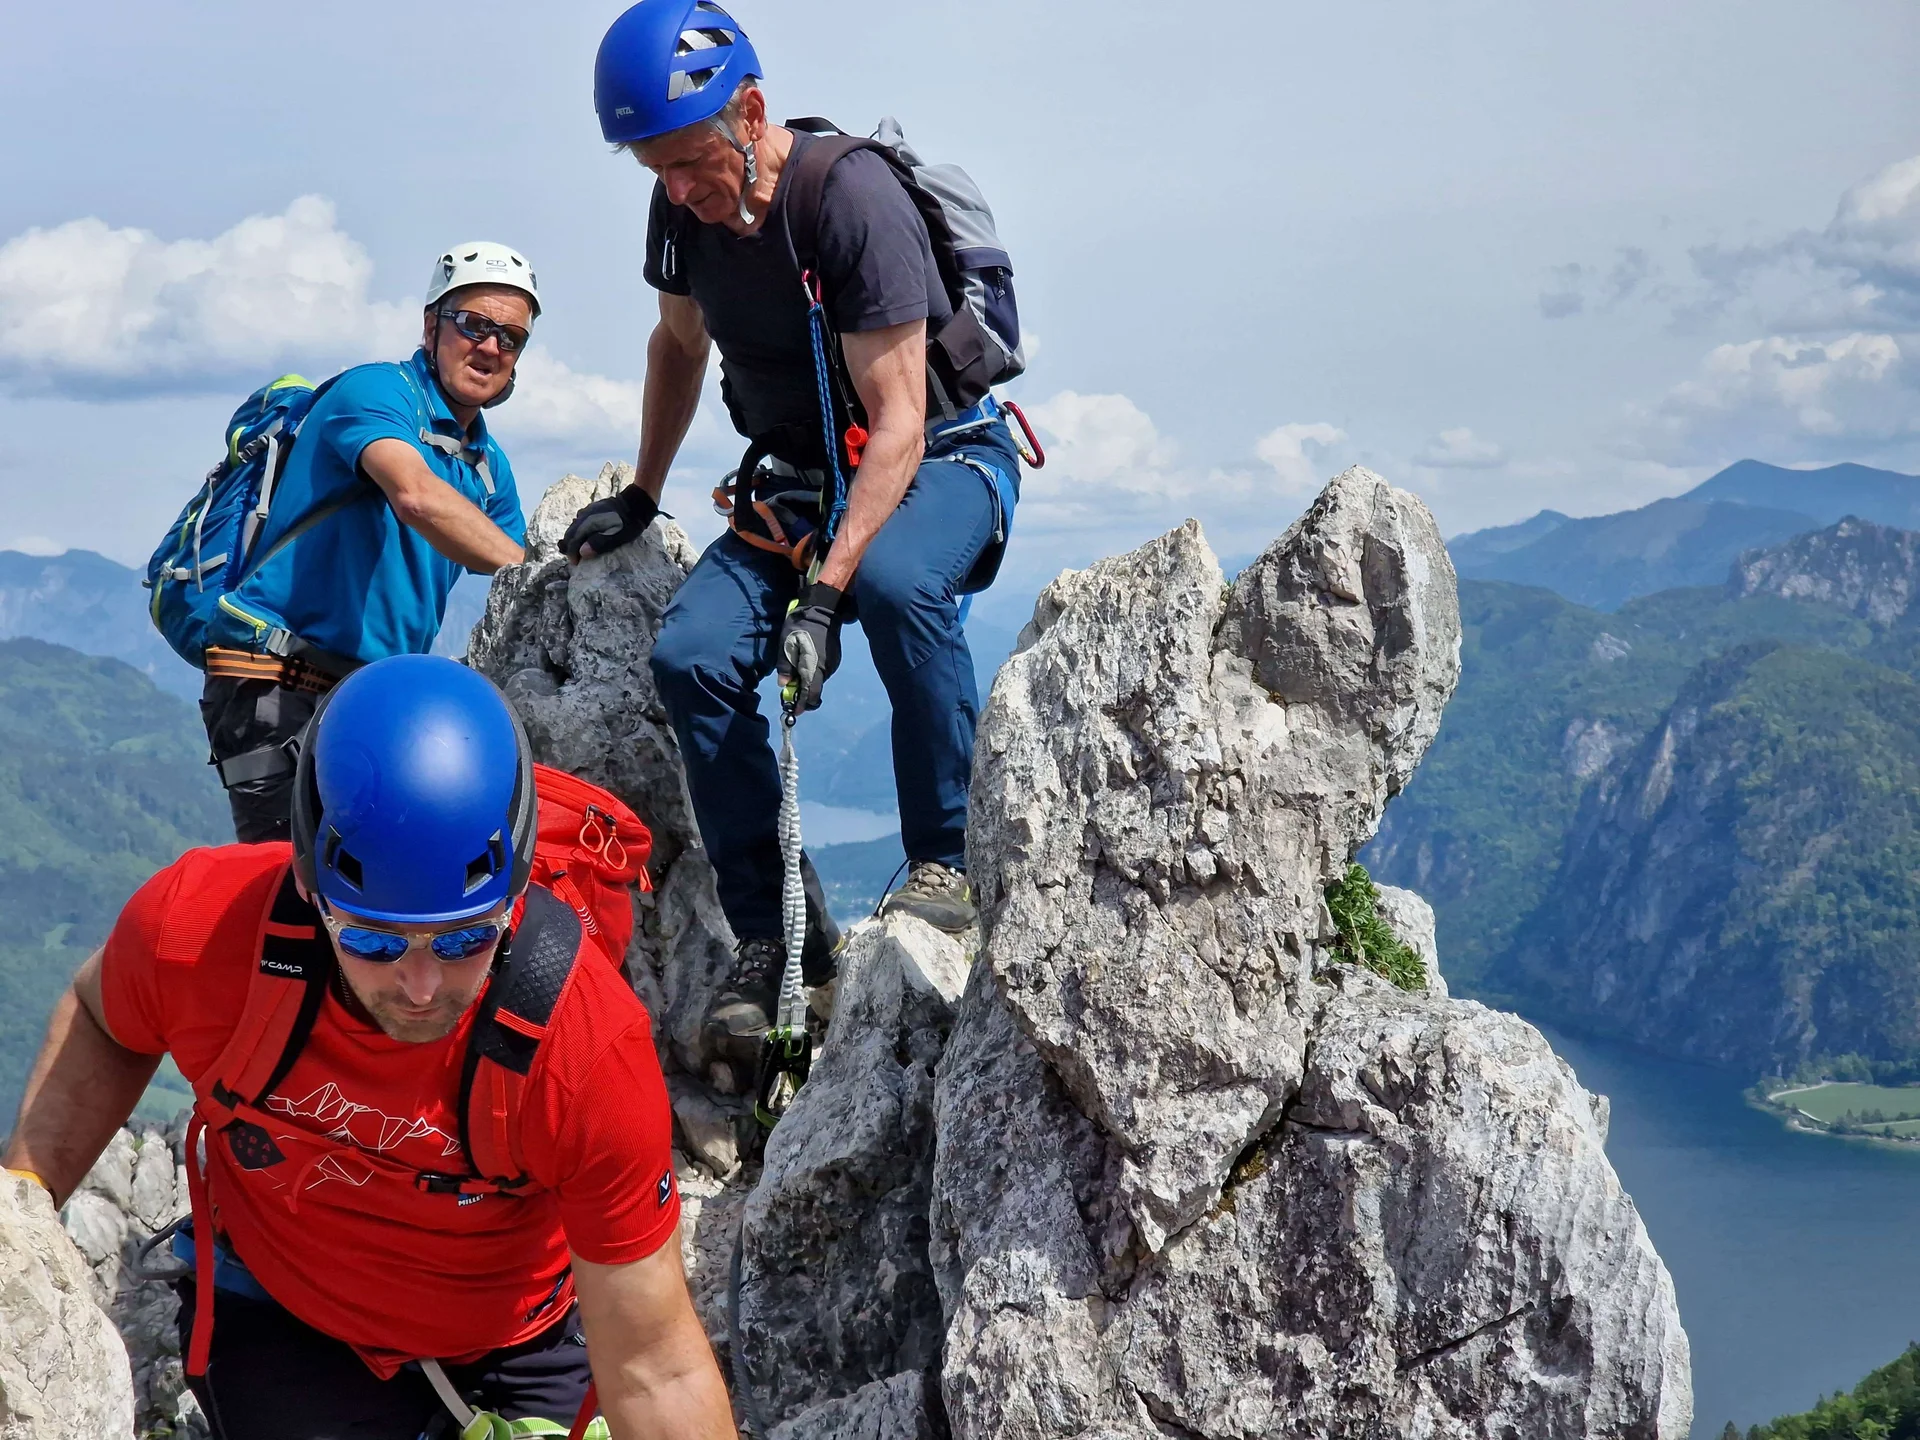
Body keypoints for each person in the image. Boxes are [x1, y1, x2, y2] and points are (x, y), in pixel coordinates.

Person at [3, 657, 736, 1439]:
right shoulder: (200, 931)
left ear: (516, 896)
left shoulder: (586, 1050)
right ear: (314, 893)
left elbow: (654, 1366)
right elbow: (104, 1018)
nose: (421, 986)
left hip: (516, 1339)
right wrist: (20, 1211)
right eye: (373, 940)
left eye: (463, 939)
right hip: (287, 1314)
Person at [564, 0, 1025, 1064]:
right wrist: (642, 493)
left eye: (687, 161)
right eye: (654, 171)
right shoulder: (683, 215)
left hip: (943, 454)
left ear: (752, 110)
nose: (677, 189)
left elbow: (901, 420)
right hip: (802, 481)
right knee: (691, 656)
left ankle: (943, 866)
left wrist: (823, 596)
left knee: (900, 587)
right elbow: (677, 349)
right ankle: (780, 937)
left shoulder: (848, 198)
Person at [202, 242, 537, 844]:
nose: (491, 347)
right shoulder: (376, 393)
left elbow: (511, 567)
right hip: (276, 673)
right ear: (432, 324)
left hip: (370, 693)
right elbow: (415, 496)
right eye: (475, 325)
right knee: (291, 877)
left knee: (376, 882)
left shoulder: (489, 467)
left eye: (510, 338)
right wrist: (537, 570)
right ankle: (159, 935)